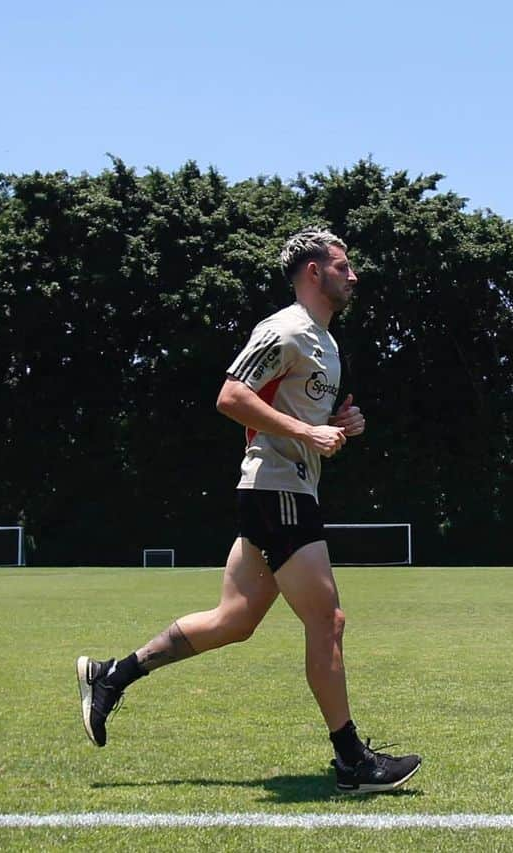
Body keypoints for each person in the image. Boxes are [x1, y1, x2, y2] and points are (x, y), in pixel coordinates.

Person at [76, 228, 421, 794]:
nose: (353, 275)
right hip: (276, 490)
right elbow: (232, 396)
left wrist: (338, 426)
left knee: (233, 621)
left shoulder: (326, 343)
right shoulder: (283, 329)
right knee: (327, 620)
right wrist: (309, 430)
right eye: (343, 266)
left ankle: (112, 676)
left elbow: (291, 413)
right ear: (314, 272)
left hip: (285, 490)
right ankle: (352, 763)